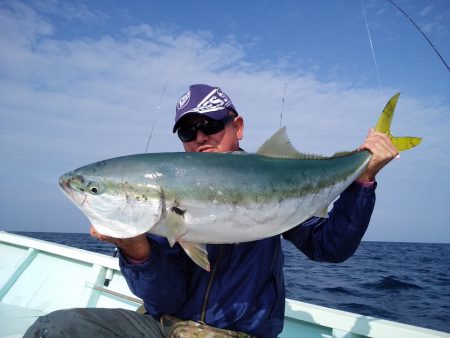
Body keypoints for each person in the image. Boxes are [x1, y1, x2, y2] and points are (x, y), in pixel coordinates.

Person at [25, 84, 398, 338]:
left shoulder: (268, 182)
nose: (201, 137)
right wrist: (136, 249)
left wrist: (361, 182)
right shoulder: (164, 207)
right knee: (53, 329)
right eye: (188, 132)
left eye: (211, 124)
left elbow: (330, 247)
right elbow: (166, 299)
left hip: (236, 333)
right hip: (163, 327)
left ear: (237, 126)